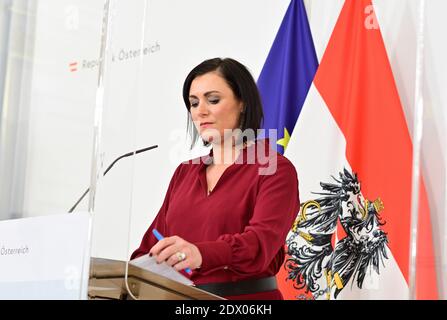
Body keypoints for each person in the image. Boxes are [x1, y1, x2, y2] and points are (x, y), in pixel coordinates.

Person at [131, 57, 300, 300]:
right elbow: (150, 246)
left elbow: (260, 244)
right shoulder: (185, 172)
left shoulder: (274, 169)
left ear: (242, 102)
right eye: (193, 102)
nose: (200, 111)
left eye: (213, 100)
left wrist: (200, 253)